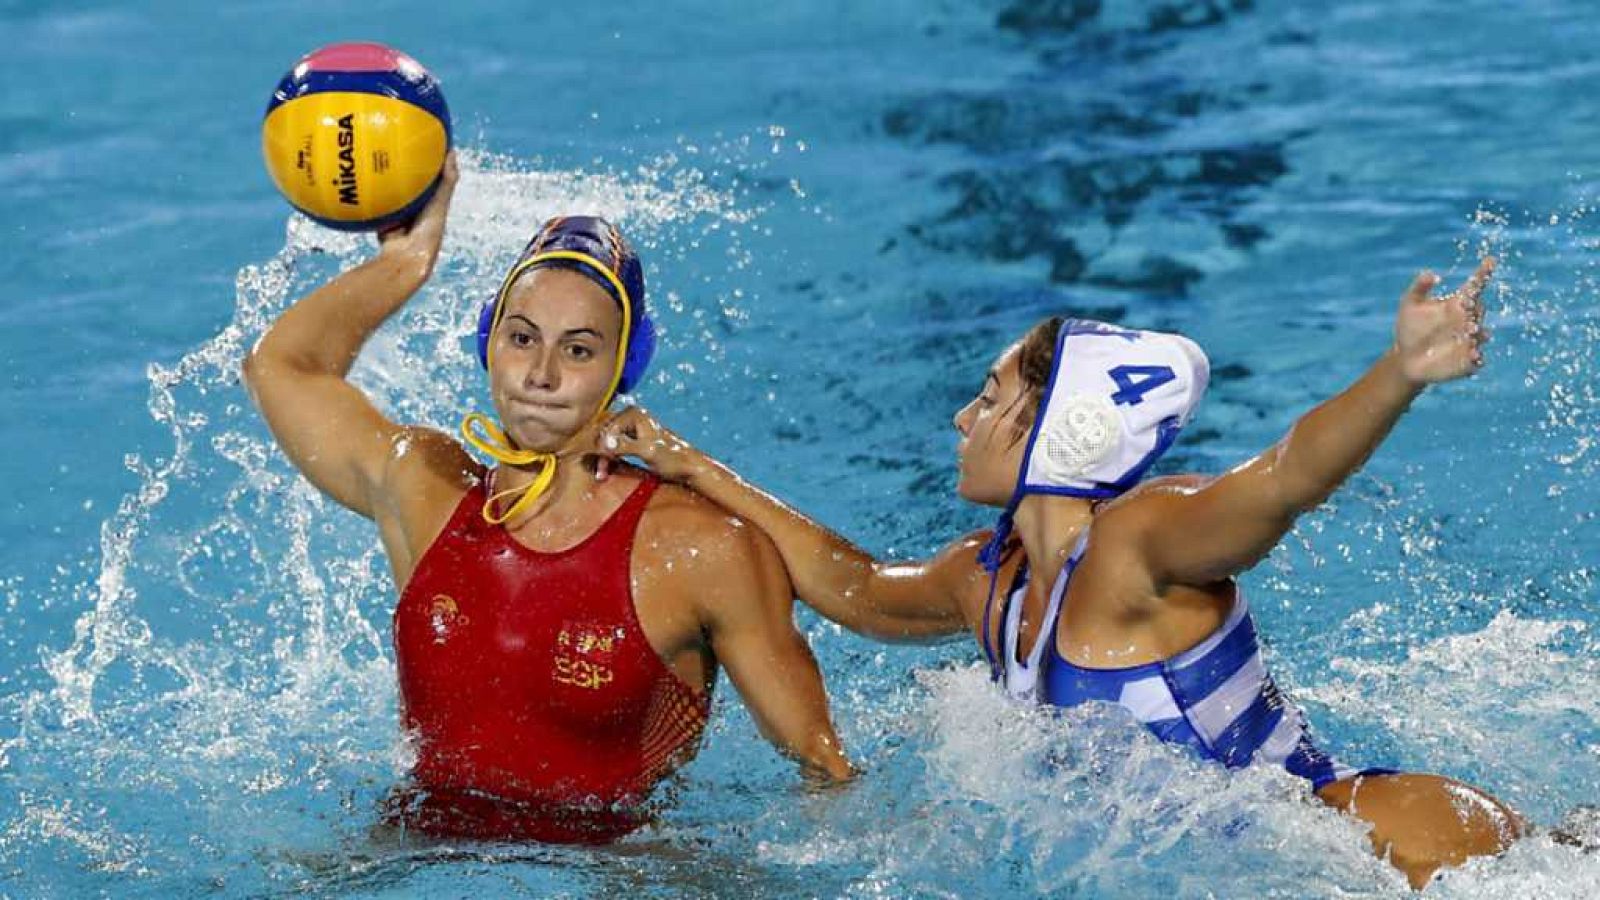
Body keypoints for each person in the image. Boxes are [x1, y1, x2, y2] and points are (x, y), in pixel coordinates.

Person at [594, 260, 1524, 886]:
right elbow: (861, 590)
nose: (963, 418)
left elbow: (1284, 479)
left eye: (992, 398)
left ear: (1062, 427)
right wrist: (691, 465)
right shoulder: (985, 578)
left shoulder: (1135, 544)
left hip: (1383, 841)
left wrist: (1399, 372)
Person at [242, 153, 854, 845]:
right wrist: (406, 263)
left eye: (580, 350)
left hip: (617, 876)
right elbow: (279, 368)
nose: (541, 374)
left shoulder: (700, 549)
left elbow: (824, 770)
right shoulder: (428, 491)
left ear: (627, 364)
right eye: (522, 338)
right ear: (487, 340)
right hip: (415, 852)